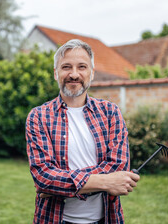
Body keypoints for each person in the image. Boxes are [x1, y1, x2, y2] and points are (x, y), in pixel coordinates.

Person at [25, 39, 140, 224]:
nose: (74, 74)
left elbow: (118, 166)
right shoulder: (38, 117)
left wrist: (58, 184)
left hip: (106, 218)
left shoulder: (111, 113)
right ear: (56, 73)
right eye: (66, 67)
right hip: (54, 219)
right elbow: (43, 176)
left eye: (82, 67)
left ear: (92, 73)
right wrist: (107, 182)